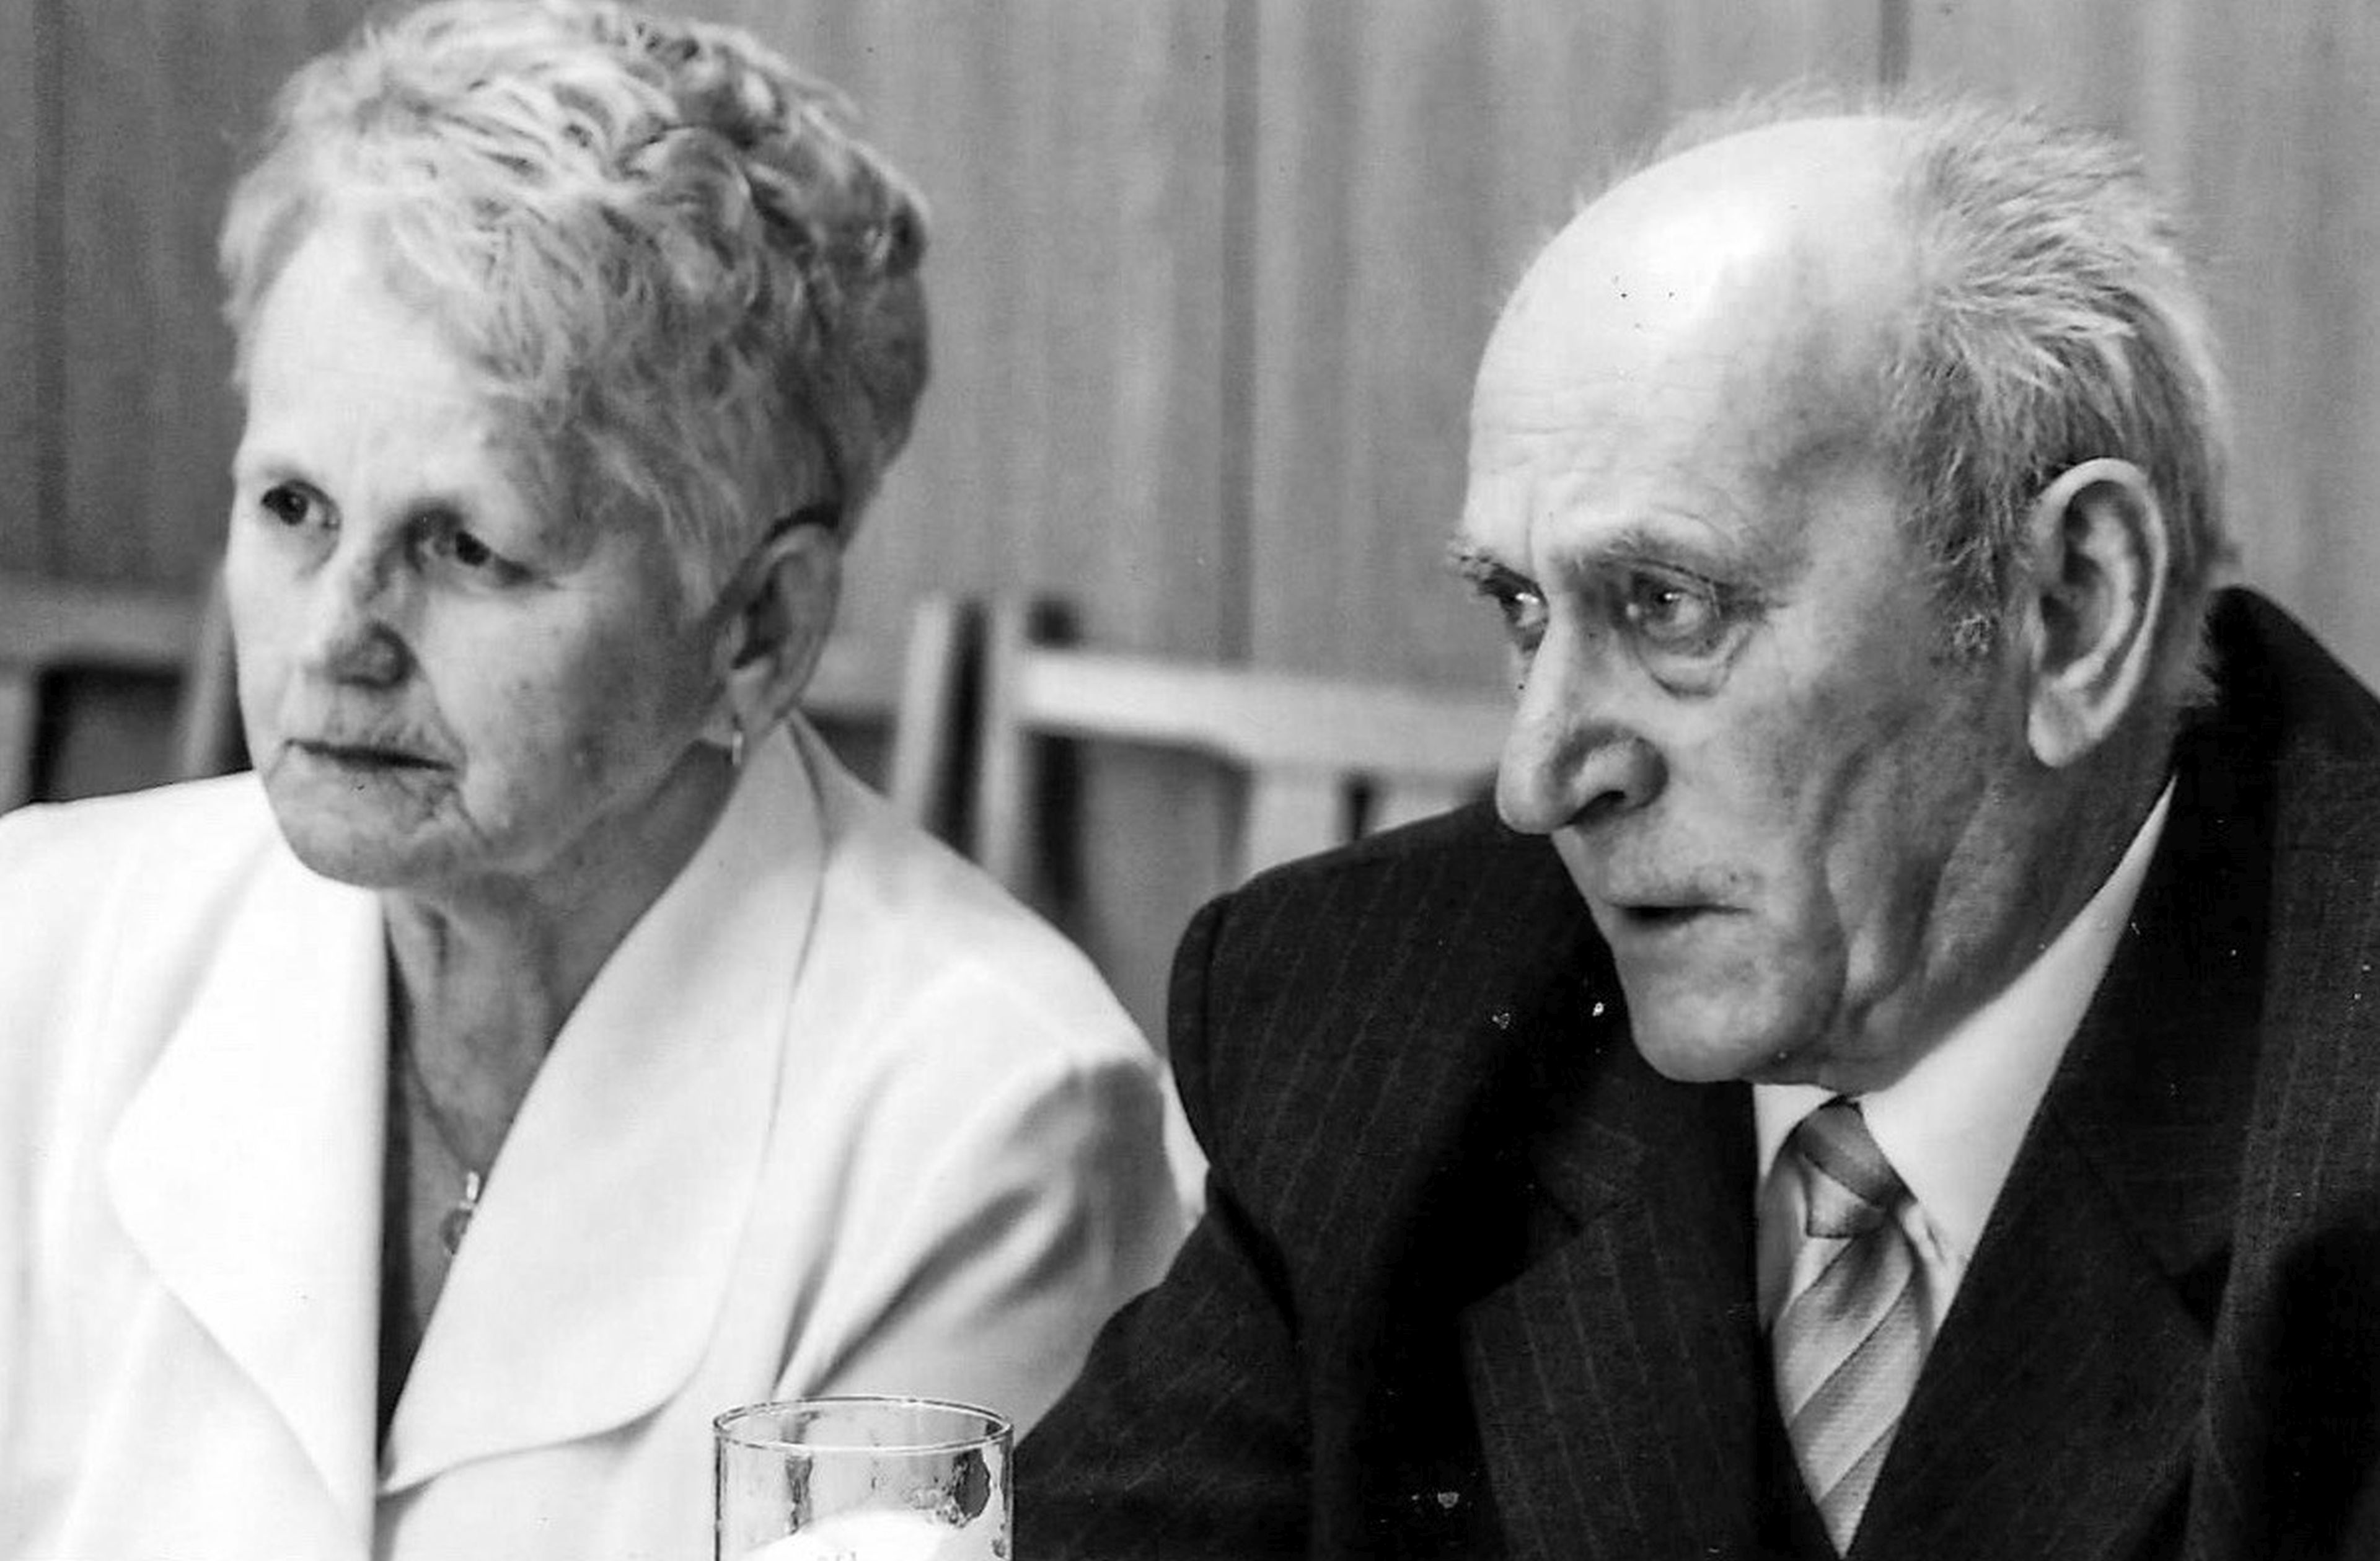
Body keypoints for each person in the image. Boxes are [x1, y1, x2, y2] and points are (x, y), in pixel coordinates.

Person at [1021, 93, 2380, 1560]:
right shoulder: (1374, 1025)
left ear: (2071, 609)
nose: (1540, 781)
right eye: (1520, 607)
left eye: (1669, 606)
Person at [0, 4, 1184, 1558]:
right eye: (293, 507)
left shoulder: (987, 1127)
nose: (333, 639)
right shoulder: (44, 948)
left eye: (465, 546)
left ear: (757, 630)